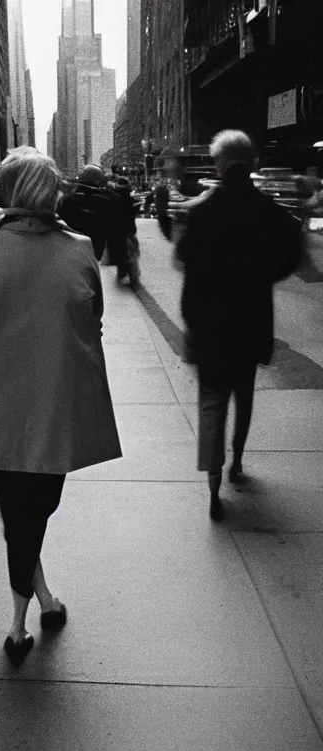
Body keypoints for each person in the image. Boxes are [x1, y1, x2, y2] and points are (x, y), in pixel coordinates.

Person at [0, 147, 122, 665]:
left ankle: (43, 600)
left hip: (0, 413)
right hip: (53, 413)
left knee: (24, 515)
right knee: (31, 514)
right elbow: (94, 328)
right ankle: (18, 626)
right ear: (51, 193)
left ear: (9, 192)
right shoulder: (80, 250)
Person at [176, 129, 302, 521]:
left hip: (209, 325)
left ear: (217, 163)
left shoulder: (199, 211)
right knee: (243, 393)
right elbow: (289, 259)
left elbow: (182, 261)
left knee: (212, 403)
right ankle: (238, 462)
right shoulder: (272, 213)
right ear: (253, 164)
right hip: (250, 321)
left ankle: (214, 482)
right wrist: (259, 276)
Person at [57, 164, 119, 261]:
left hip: (70, 251)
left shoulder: (67, 200)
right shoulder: (109, 200)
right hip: (95, 252)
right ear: (99, 180)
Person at [109, 176, 140, 285]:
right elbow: (132, 214)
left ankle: (122, 271)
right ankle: (131, 273)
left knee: (120, 253)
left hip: (117, 231)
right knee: (132, 252)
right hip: (129, 230)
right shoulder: (129, 199)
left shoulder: (113, 199)